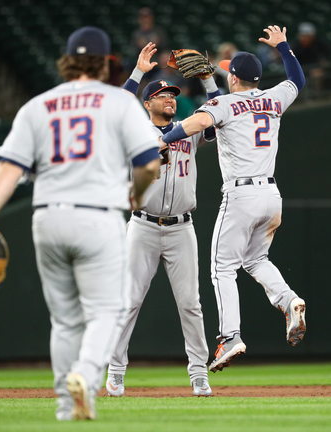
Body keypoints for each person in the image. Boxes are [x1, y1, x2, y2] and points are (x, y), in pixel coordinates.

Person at [0, 26, 161, 421]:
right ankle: (85, 375)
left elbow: (9, 169)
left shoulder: (38, 106)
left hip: (47, 218)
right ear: (107, 62)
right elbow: (149, 163)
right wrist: (137, 194)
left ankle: (65, 405)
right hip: (97, 217)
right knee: (108, 310)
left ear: (67, 59)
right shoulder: (118, 102)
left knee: (64, 320)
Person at [159, 25, 307, 373]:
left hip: (241, 195)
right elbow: (297, 79)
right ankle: (289, 302)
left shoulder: (223, 102)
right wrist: (284, 47)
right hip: (272, 195)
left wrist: (165, 137)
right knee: (255, 260)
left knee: (222, 267)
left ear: (236, 78)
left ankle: (230, 336)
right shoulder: (275, 97)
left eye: (228, 73)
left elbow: (199, 123)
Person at [105, 42, 220, 398]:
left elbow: (220, 113)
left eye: (172, 94)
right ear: (147, 102)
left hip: (182, 227)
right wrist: (139, 72)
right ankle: (116, 371)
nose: (170, 98)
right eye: (162, 95)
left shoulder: (189, 127)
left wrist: (209, 80)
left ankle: (199, 374)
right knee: (129, 301)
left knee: (191, 303)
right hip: (142, 226)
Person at [130, 7, 168, 78]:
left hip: (157, 65)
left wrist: (157, 44)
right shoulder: (137, 33)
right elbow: (133, 50)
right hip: (142, 65)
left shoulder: (158, 31)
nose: (145, 19)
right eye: (143, 17)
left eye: (147, 16)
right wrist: (140, 46)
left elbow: (164, 47)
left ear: (151, 18)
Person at [291, 22, 330, 89]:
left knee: (317, 74)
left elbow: (327, 54)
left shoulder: (318, 43)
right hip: (300, 69)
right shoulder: (296, 46)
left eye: (308, 36)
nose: (305, 38)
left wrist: (323, 62)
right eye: (303, 36)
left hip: (315, 67)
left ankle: (317, 94)